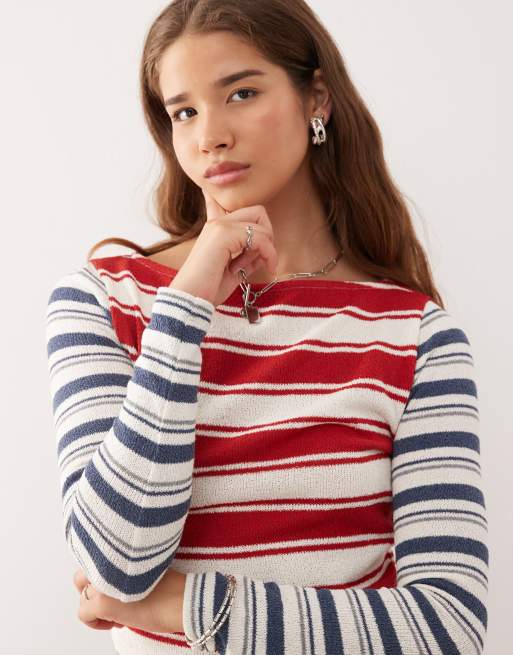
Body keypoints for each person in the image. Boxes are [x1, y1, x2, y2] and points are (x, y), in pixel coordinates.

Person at [45, 0, 488, 653]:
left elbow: (446, 628)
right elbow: (116, 562)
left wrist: (183, 605)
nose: (210, 135)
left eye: (241, 93)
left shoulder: (415, 335)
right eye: (184, 111)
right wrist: (186, 305)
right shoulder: (106, 300)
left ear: (317, 98)